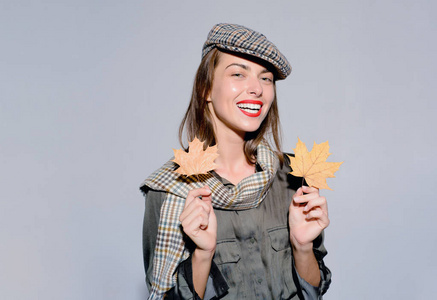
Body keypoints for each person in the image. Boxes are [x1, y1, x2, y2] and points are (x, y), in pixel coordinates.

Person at [141, 23, 331, 300]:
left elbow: (314, 292)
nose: (256, 88)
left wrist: (302, 247)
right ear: (206, 88)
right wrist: (203, 255)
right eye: (238, 74)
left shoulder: (295, 174)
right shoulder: (169, 189)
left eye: (266, 79)